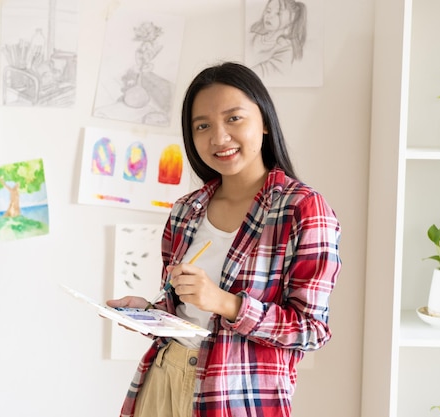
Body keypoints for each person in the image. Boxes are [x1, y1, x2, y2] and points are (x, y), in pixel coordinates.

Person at [107, 62, 341, 417]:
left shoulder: (302, 208)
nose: (218, 137)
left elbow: (311, 331)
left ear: (263, 122)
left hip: (236, 397)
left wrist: (227, 304)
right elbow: (186, 313)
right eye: (203, 125)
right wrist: (148, 313)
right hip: (162, 380)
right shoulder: (186, 211)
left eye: (233, 119)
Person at [248, 0, 307, 77]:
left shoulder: (285, 47)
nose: (269, 16)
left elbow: (269, 72)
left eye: (278, 13)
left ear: (291, 18)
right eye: (268, 11)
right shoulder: (252, 37)